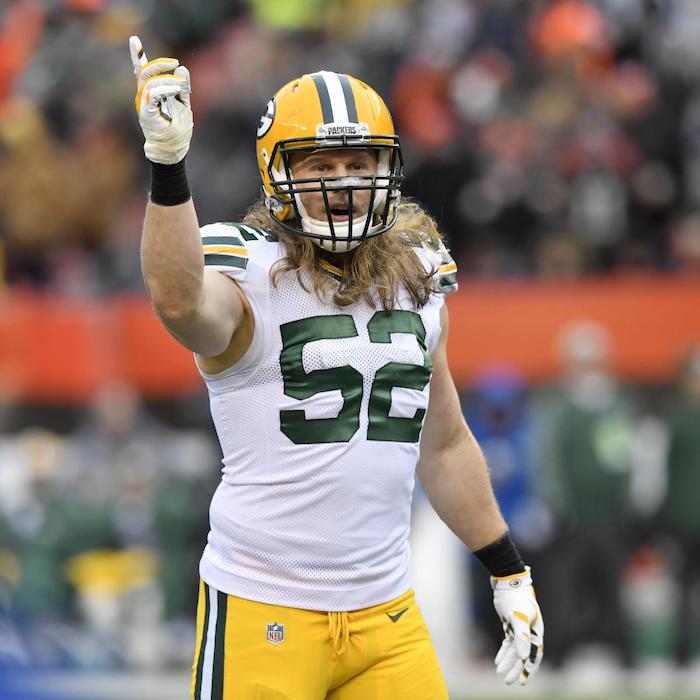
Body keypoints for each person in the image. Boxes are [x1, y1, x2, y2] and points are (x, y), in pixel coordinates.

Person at [129, 36, 544, 699]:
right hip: (264, 607)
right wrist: (168, 162)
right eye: (321, 165)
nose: (344, 183)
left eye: (359, 163)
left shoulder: (417, 278)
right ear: (279, 176)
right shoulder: (251, 274)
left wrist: (508, 570)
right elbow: (179, 301)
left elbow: (443, 444)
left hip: (387, 615)